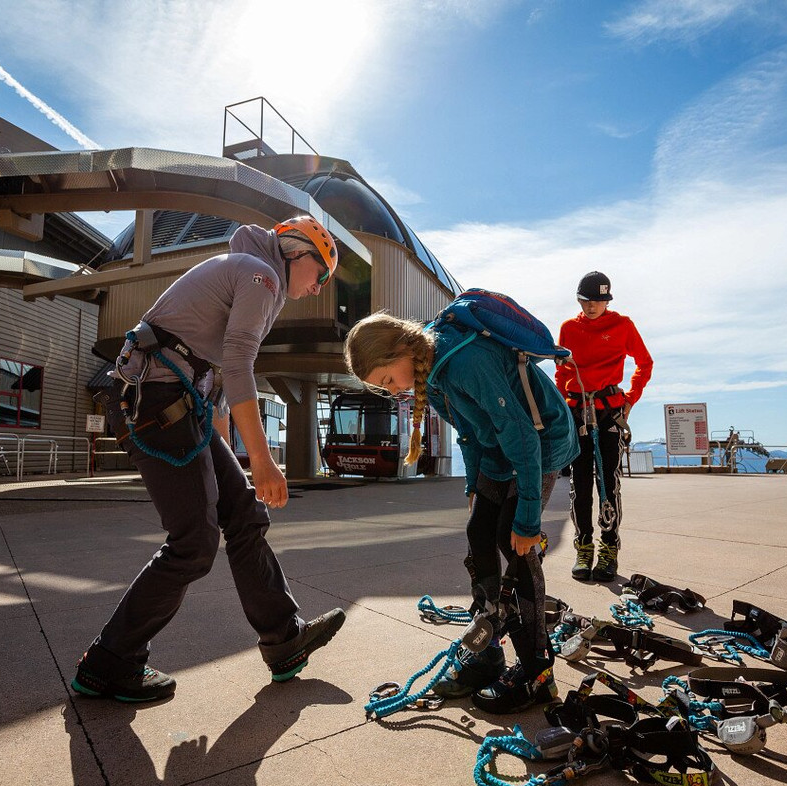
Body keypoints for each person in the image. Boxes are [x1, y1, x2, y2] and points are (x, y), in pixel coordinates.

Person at [72, 216, 347, 702]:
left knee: (242, 512)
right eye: (321, 275)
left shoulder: (245, 272)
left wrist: (234, 470)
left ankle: (284, 641)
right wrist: (261, 460)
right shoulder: (262, 277)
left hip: (174, 404)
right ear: (298, 253)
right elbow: (240, 364)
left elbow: (214, 383)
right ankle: (109, 662)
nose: (319, 288)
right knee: (195, 543)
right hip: (158, 404)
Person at [344, 308, 578, 714]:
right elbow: (468, 433)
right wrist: (474, 486)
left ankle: (537, 671)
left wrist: (527, 518)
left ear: (401, 348)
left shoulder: (465, 362)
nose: (393, 390)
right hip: (497, 448)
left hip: (539, 443)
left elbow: (521, 434)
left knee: (515, 543)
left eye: (386, 380)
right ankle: (487, 652)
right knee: (478, 534)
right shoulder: (428, 373)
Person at [555, 271, 653, 583]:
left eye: (599, 300)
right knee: (579, 485)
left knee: (607, 484)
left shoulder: (622, 325)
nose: (593, 306)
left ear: (607, 301)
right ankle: (583, 549)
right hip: (577, 413)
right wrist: (561, 407)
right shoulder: (568, 329)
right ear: (579, 300)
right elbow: (560, 373)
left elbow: (644, 362)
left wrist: (630, 400)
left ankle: (609, 549)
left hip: (609, 412)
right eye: (587, 300)